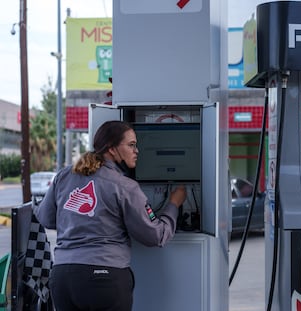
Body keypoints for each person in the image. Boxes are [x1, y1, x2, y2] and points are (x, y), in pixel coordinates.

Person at [33, 120, 187, 311]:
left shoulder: (64, 176)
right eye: (131, 145)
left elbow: (46, 219)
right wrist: (174, 204)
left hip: (63, 277)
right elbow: (155, 235)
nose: (136, 150)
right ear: (112, 149)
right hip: (104, 279)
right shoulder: (125, 186)